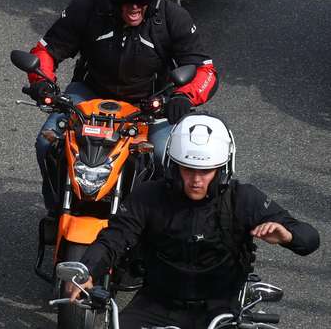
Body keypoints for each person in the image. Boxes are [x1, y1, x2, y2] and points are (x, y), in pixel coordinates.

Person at [69, 113, 320, 329]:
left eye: (206, 171)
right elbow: (114, 238)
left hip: (221, 309)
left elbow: (310, 239)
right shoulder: (148, 196)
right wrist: (87, 270)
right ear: (172, 166)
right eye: (188, 169)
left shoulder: (243, 198)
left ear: (222, 169)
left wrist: (288, 235)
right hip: (156, 303)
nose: (196, 180)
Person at [24, 0, 217, 214]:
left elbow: (204, 70)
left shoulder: (174, 17)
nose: (135, 5)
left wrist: (183, 96)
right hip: (89, 96)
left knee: (164, 156)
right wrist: (41, 81)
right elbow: (45, 51)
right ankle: (57, 209)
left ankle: (156, 224)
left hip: (150, 106)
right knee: (48, 142)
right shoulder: (85, 8)